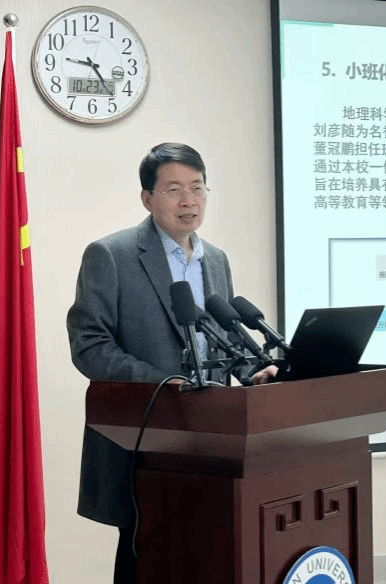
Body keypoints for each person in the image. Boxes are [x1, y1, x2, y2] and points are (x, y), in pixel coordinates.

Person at [66, 143, 276, 583]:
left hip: (211, 437)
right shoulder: (111, 255)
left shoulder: (215, 259)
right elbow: (89, 346)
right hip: (145, 437)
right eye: (174, 189)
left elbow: (222, 338)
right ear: (148, 198)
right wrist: (166, 384)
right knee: (145, 554)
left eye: (198, 188)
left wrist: (251, 373)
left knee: (207, 553)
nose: (189, 201)